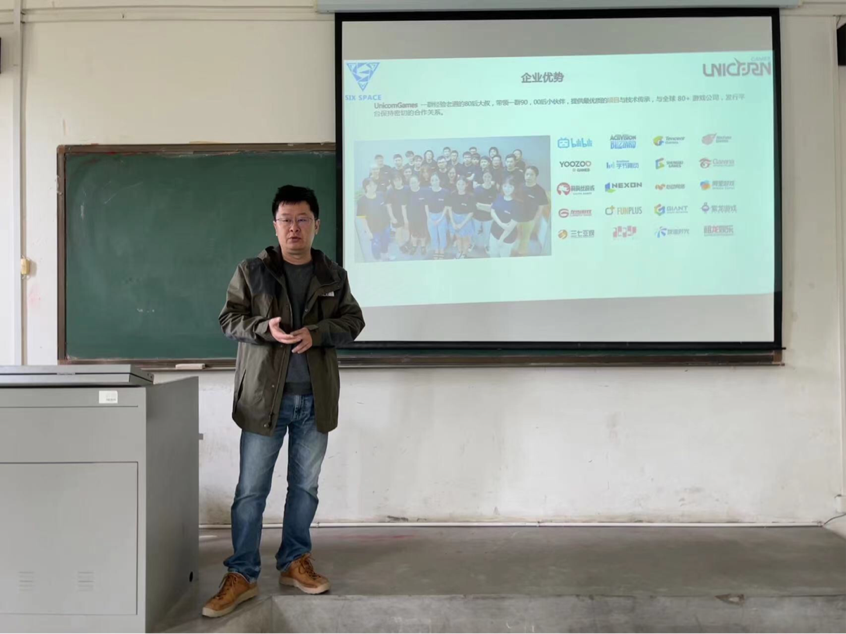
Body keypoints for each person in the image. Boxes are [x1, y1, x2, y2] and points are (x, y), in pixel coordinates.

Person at [205, 185, 364, 619]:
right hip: (263, 401)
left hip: (315, 399)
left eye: (302, 219)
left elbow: (353, 321)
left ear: (316, 225)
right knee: (251, 492)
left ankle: (295, 561)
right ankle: (242, 573)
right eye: (286, 220)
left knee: (305, 488)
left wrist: (319, 333)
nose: (294, 227)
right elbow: (229, 319)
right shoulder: (252, 271)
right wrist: (264, 329)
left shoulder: (333, 275)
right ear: (275, 225)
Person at [516, 165, 549, 256]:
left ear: (535, 176)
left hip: (529, 219)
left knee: (525, 238)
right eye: (527, 174)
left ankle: (521, 253)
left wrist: (534, 220)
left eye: (531, 174)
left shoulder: (540, 191)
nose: (528, 177)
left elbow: (540, 208)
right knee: (514, 235)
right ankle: (513, 251)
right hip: (516, 218)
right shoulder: (520, 186)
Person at [357, 178, 393, 261]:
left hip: (385, 226)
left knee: (385, 242)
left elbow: (387, 208)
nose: (373, 187)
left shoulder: (381, 194)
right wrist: (368, 232)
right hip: (373, 229)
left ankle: (386, 256)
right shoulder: (361, 201)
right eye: (370, 185)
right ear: (365, 187)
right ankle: (378, 259)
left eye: (374, 185)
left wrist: (391, 219)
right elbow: (363, 219)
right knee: (376, 246)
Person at [489, 176, 520, 258]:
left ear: (515, 188)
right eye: (505, 186)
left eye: (510, 187)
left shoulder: (517, 204)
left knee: (504, 256)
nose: (507, 189)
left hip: (507, 237)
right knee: (493, 254)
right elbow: (492, 211)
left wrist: (501, 239)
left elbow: (510, 227)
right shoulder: (499, 196)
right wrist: (501, 224)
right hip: (494, 232)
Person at [446, 177, 476, 259]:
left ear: (466, 185)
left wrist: (462, 224)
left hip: (465, 220)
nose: (460, 186)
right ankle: (459, 251)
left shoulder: (470, 196)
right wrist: (453, 222)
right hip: (454, 218)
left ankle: (464, 253)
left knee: (465, 238)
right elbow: (449, 209)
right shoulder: (452, 194)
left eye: (462, 184)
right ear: (456, 184)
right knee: (458, 237)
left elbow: (471, 212)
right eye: (458, 184)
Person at [473, 169, 498, 254]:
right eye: (485, 176)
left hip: (488, 217)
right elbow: (475, 205)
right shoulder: (477, 189)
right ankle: (472, 243)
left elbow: (494, 207)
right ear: (482, 177)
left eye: (489, 177)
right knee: (475, 232)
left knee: (487, 233)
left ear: (492, 178)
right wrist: (487, 207)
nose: (487, 178)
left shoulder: (494, 190)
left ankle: (486, 245)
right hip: (476, 216)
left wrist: (481, 206)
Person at [426, 173, 449, 260]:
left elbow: (446, 206)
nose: (434, 182)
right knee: (433, 235)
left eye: (436, 180)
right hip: (430, 216)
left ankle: (442, 249)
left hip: (441, 216)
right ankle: (436, 249)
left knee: (442, 234)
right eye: (432, 180)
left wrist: (441, 218)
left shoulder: (445, 192)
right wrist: (429, 218)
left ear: (439, 181)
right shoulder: (427, 192)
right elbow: (426, 206)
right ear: (430, 182)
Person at [386, 173, 411, 255]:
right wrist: (392, 217)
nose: (398, 182)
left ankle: (407, 242)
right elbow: (388, 206)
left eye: (399, 180)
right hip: (396, 215)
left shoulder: (407, 188)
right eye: (395, 181)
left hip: (407, 213)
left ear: (401, 180)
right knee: (399, 230)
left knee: (406, 228)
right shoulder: (390, 191)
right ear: (393, 181)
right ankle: (401, 245)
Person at [406, 175, 429, 256]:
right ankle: (414, 246)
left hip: (422, 218)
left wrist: (428, 217)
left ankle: (423, 246)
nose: (413, 184)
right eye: (411, 183)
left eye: (415, 182)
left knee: (423, 233)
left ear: (419, 183)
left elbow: (426, 205)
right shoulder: (407, 193)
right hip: (412, 218)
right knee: (413, 233)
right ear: (409, 184)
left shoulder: (424, 191)